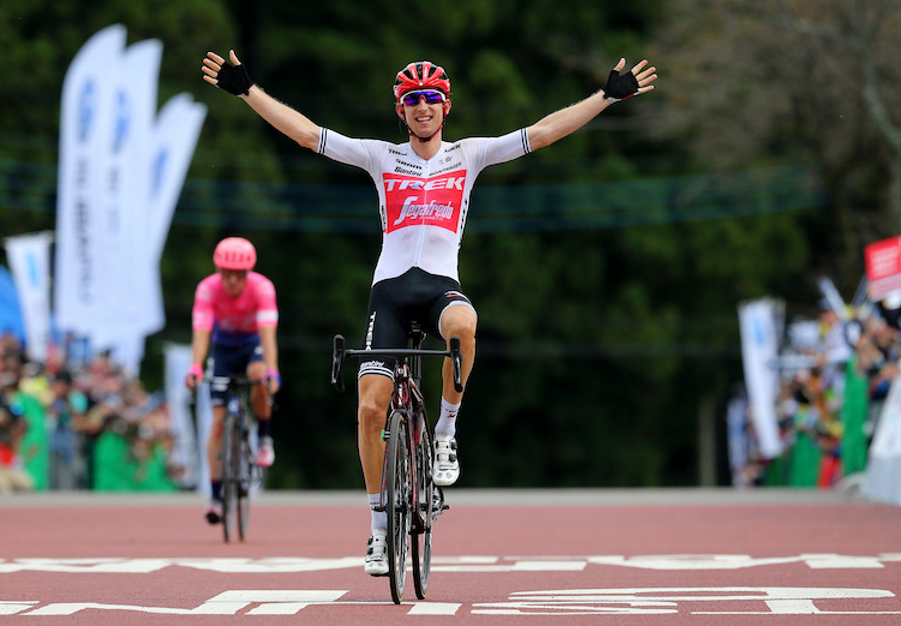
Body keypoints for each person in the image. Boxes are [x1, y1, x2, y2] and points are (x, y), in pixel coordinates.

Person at [201, 49, 656, 573]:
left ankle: (444, 432)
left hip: (440, 288)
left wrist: (604, 97)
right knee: (370, 409)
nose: (423, 107)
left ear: (446, 108)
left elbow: (544, 132)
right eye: (412, 100)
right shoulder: (380, 157)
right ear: (401, 110)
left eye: (432, 99)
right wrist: (246, 90)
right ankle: (376, 528)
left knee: (465, 323)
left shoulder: (469, 155)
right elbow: (308, 134)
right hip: (389, 294)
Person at [185, 236, 281, 524]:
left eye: (238, 276)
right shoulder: (207, 289)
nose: (232, 282)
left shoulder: (262, 288)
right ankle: (215, 496)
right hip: (224, 347)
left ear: (247, 274)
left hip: (253, 344)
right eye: (226, 275)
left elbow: (267, 333)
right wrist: (196, 367)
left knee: (258, 376)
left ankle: (264, 437)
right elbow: (201, 331)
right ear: (218, 272)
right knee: (216, 423)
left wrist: (272, 370)